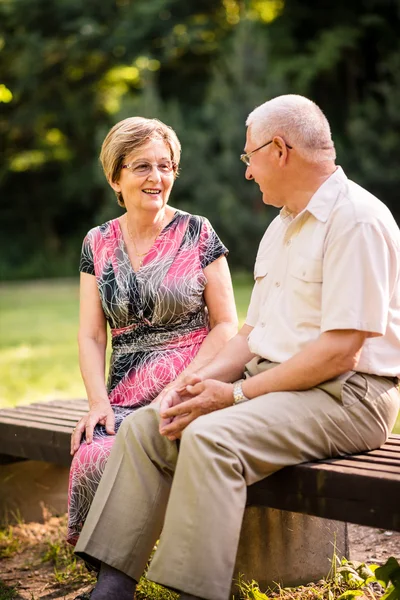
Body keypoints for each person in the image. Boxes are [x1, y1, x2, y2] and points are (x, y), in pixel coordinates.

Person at [74, 95, 400, 600]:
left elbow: (341, 353)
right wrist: (196, 382)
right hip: (281, 382)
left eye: (250, 156)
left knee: (211, 439)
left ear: (280, 150)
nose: (247, 172)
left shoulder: (355, 220)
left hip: (348, 395)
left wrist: (236, 397)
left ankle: (194, 592)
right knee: (146, 427)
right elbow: (252, 334)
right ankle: (112, 589)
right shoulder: (282, 226)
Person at [67, 116, 238, 545]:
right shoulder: (97, 242)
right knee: (94, 453)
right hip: (124, 395)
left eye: (166, 166)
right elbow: (91, 335)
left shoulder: (199, 232)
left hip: (192, 387)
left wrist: (179, 387)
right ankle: (108, 566)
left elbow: (227, 325)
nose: (156, 177)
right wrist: (96, 403)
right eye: (142, 166)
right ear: (115, 177)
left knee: (175, 444)